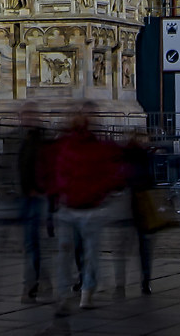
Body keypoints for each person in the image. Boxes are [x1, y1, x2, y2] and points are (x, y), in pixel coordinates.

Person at [46, 113, 123, 311]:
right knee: (90, 254)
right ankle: (86, 294)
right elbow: (109, 175)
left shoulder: (65, 147)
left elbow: (56, 175)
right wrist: (98, 193)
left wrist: (60, 194)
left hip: (70, 207)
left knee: (66, 256)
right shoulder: (96, 147)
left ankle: (64, 295)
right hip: (90, 208)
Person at [120, 132, 164, 296]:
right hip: (136, 203)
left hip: (139, 204)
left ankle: (139, 280)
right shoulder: (135, 155)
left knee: (139, 246)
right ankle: (142, 280)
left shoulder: (141, 155)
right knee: (139, 246)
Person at [16, 111, 50, 301]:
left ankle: (31, 283)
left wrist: (39, 189)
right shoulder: (25, 139)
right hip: (26, 197)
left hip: (37, 197)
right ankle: (39, 280)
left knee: (32, 243)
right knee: (31, 243)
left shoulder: (40, 141)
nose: (22, 120)